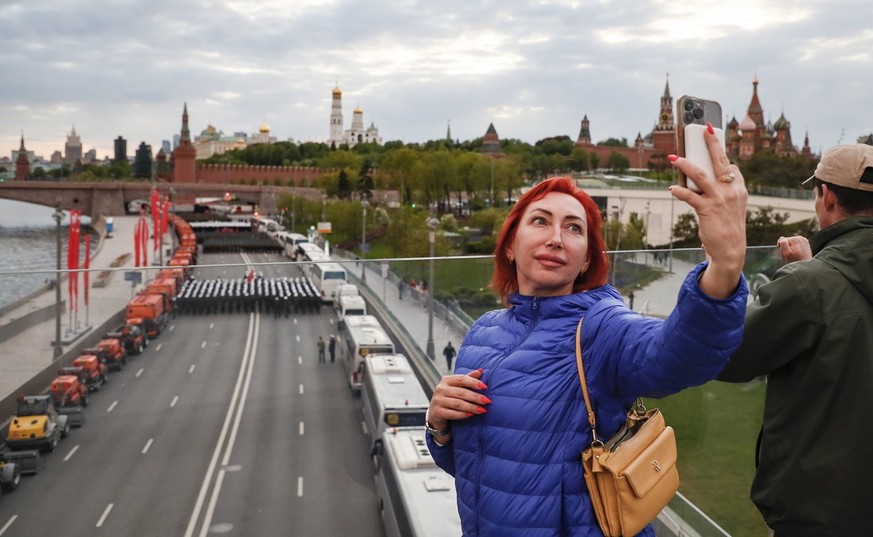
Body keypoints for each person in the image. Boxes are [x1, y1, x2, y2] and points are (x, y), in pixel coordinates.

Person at [426, 124, 749, 536]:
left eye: (574, 228)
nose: (557, 238)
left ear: (584, 261)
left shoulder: (600, 327)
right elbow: (475, 472)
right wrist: (439, 426)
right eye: (540, 221)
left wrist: (724, 264)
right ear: (510, 245)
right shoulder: (483, 332)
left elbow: (679, 354)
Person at [718, 144, 873, 536]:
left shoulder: (809, 286)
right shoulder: (814, 281)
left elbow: (727, 355)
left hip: (821, 512)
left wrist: (803, 279)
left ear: (829, 196)